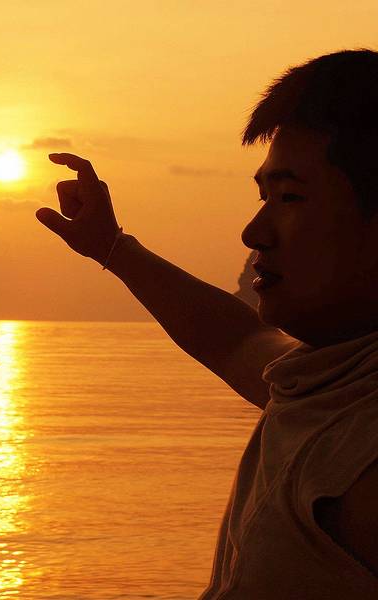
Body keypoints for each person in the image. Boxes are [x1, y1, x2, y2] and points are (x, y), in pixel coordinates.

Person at [35, 48, 378, 598]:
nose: (254, 232)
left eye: (290, 197)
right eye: (264, 196)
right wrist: (111, 247)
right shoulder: (326, 385)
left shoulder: (362, 462)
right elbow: (238, 339)